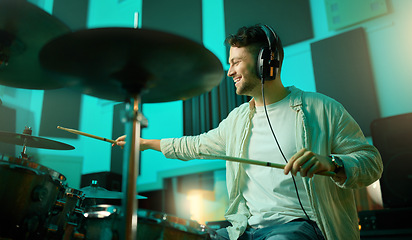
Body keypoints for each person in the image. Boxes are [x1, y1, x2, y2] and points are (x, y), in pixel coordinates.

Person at [114, 24, 383, 240]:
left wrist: (333, 163)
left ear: (267, 63)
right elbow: (195, 145)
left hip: (299, 228)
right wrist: (147, 143)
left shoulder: (321, 109)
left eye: (236, 62)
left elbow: (372, 162)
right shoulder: (237, 120)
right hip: (244, 229)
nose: (229, 72)